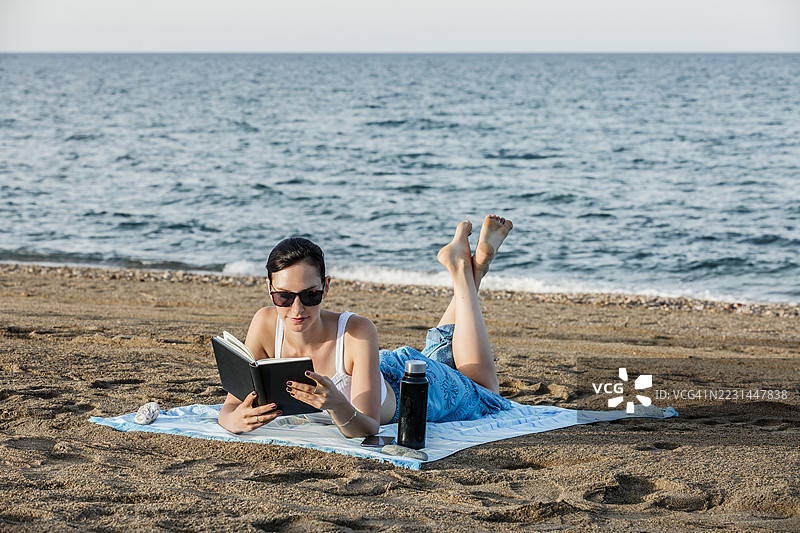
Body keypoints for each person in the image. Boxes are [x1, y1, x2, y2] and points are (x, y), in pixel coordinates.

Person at [217, 215, 515, 437]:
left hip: (411, 392)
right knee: (442, 352)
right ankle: (476, 269)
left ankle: (462, 270)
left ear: (326, 287)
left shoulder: (356, 330)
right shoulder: (265, 323)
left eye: (310, 295)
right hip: (377, 372)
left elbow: (369, 427)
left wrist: (336, 405)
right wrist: (235, 421)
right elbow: (229, 408)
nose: (297, 309)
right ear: (270, 289)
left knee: (486, 391)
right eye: (284, 296)